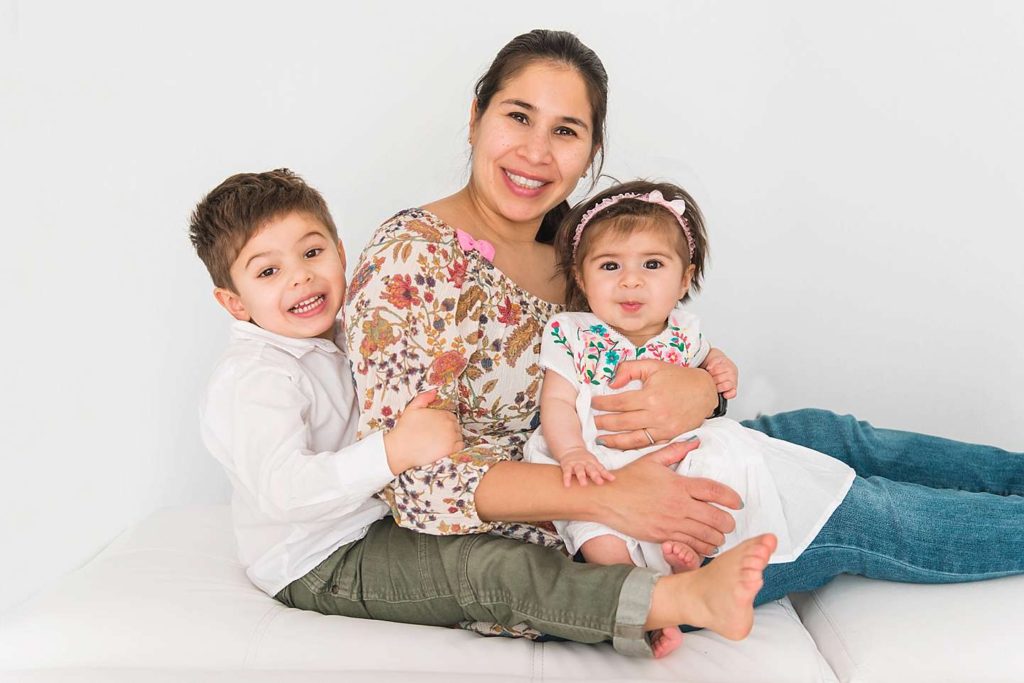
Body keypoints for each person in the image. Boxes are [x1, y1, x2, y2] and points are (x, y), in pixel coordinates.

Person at [345, 26, 1024, 639]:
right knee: (861, 514)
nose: (536, 152)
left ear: (591, 150)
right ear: (475, 116)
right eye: (518, 116)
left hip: (672, 450)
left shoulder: (577, 249)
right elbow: (410, 478)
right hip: (583, 523)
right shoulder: (411, 257)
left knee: (835, 435)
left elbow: (659, 344)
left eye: (566, 130)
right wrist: (613, 497)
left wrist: (704, 392)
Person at [188, 167, 778, 660]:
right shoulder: (256, 378)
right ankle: (674, 602)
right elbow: (284, 492)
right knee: (489, 570)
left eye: (313, 252)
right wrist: (393, 452)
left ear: (341, 253)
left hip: (379, 519)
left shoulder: (342, 329)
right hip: (318, 559)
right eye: (268, 271)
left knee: (535, 537)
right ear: (233, 302)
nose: (301, 277)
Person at [522, 179, 858, 655]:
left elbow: (706, 363)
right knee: (593, 532)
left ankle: (688, 565)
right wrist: (572, 450)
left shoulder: (683, 332)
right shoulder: (573, 333)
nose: (631, 280)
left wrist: (718, 366)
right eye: (610, 266)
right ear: (581, 277)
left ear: (684, 279)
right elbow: (555, 401)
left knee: (719, 466)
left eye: (652, 265)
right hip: (593, 460)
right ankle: (640, 599)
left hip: (669, 457)